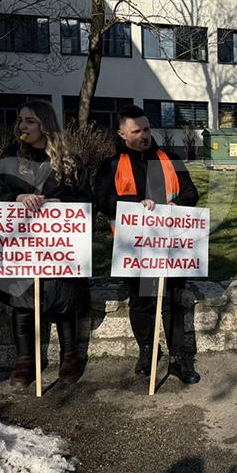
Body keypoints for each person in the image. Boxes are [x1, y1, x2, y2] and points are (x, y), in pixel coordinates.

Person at [0, 100, 92, 387]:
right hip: (22, 247)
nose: (22, 126)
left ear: (44, 123)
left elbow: (85, 199)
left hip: (59, 247)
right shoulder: (10, 157)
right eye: (21, 120)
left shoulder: (68, 158)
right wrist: (16, 199)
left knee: (64, 300)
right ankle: (25, 361)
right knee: (22, 303)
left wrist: (61, 205)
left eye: (30, 121)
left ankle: (70, 357)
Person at [94, 104, 201, 384]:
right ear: (121, 133)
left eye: (147, 129)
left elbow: (192, 192)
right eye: (136, 131)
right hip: (134, 250)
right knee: (141, 303)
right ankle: (147, 351)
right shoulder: (112, 166)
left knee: (174, 302)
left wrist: (176, 204)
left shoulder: (169, 158)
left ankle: (179, 358)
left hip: (172, 246)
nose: (144, 135)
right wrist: (134, 206)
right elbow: (102, 201)